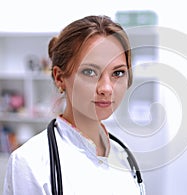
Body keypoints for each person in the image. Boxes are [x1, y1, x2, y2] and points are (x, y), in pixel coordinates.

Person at [3, 15, 144, 195]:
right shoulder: (29, 163)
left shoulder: (123, 157)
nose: (107, 88)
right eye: (90, 72)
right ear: (60, 78)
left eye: (118, 73)